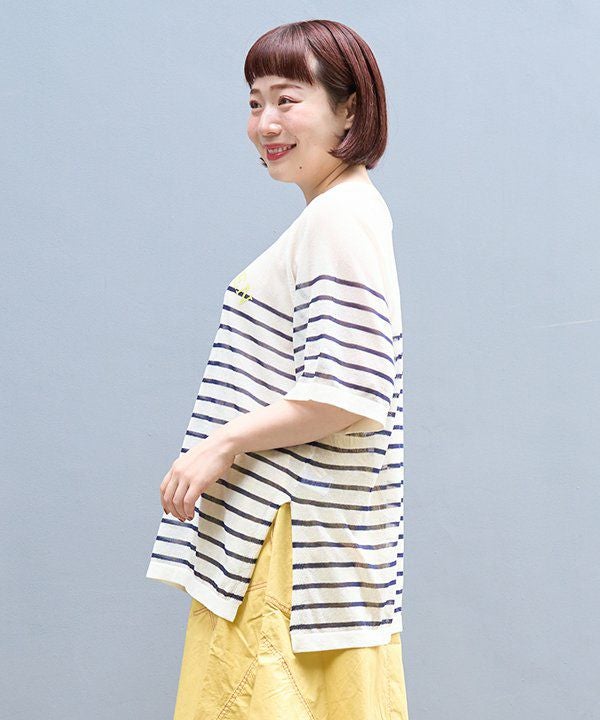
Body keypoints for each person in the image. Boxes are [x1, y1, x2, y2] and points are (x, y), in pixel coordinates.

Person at [146, 19, 409, 720]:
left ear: (349, 108)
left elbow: (347, 390)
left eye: (288, 99)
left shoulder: (339, 217)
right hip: (295, 551)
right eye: (254, 101)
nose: (265, 123)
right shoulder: (337, 214)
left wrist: (221, 443)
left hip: (287, 552)